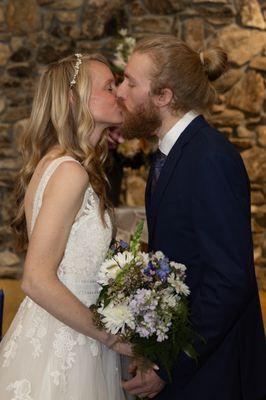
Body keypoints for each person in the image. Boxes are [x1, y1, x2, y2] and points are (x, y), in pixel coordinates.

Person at [117, 35, 266, 400]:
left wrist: (172, 364)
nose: (121, 91)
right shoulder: (169, 154)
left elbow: (231, 279)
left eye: (130, 82)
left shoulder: (209, 158)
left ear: (164, 96)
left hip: (216, 372)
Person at [0, 53, 132, 400]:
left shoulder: (59, 163)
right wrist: (112, 337)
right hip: (68, 339)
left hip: (74, 328)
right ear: (74, 100)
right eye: (108, 87)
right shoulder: (69, 171)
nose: (118, 93)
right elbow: (36, 279)